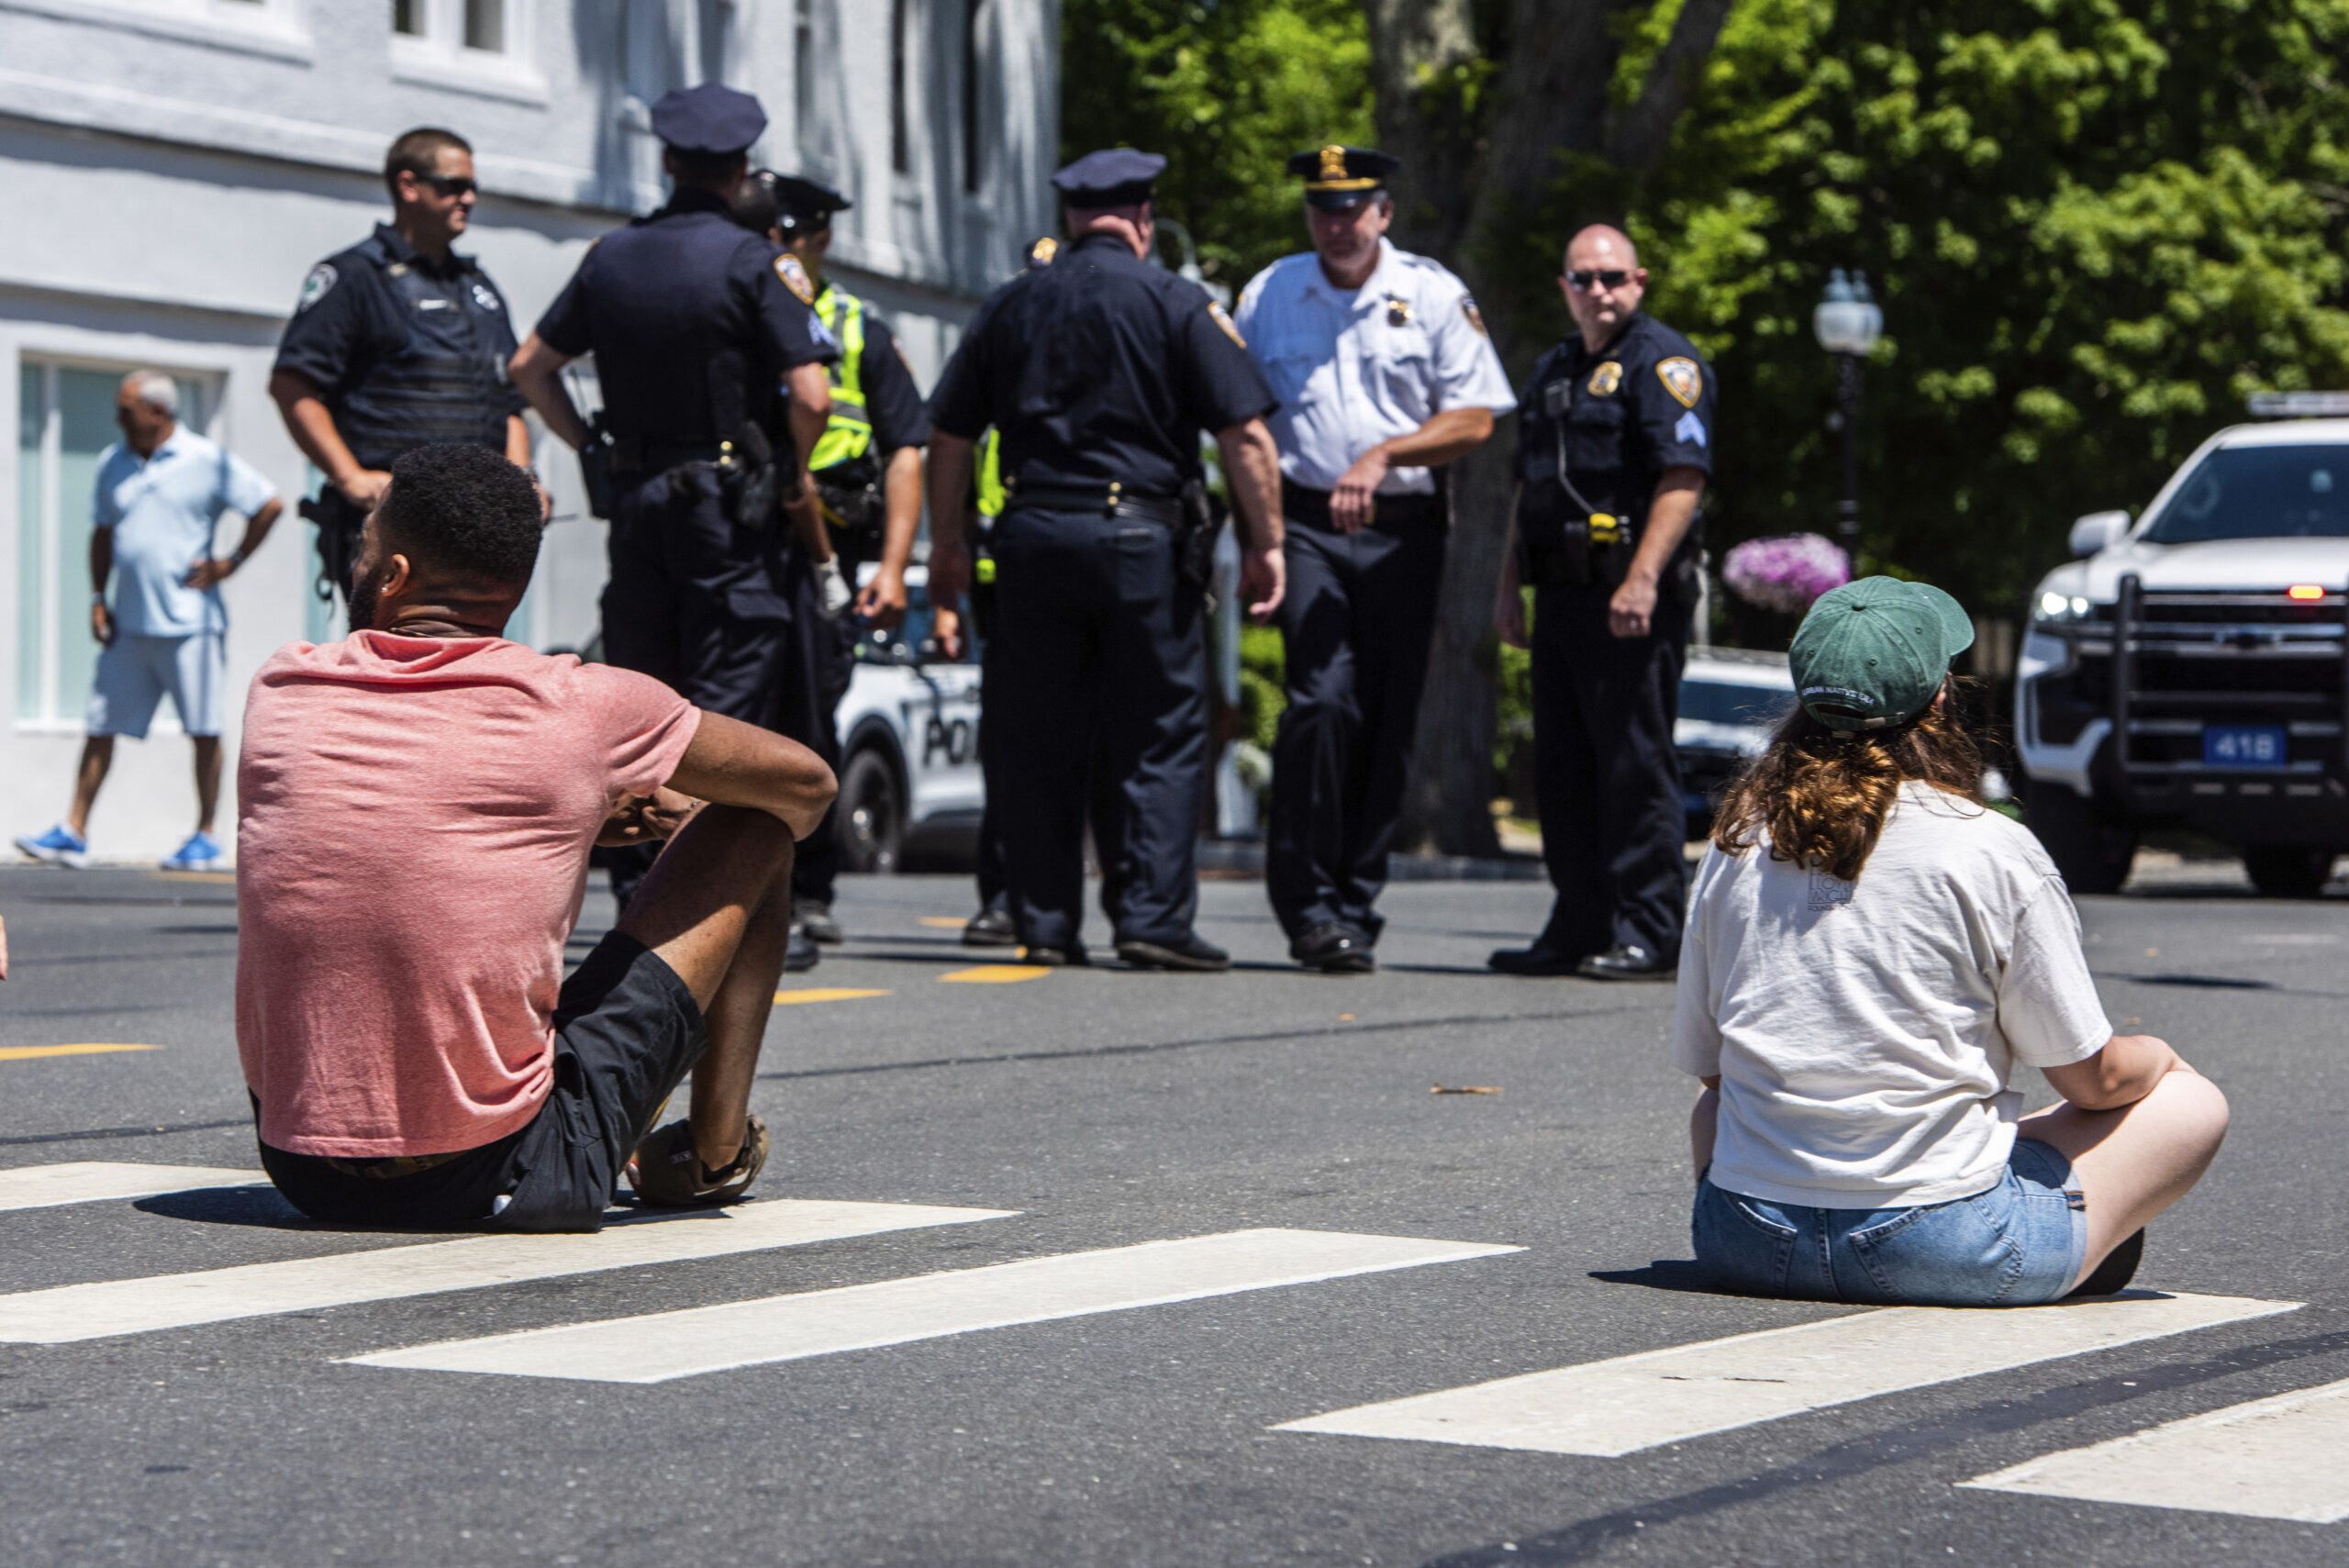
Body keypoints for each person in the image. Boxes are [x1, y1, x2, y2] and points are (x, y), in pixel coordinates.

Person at [237, 443, 836, 1231]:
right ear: (511, 589)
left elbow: (391, 834)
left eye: (364, 545)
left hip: (300, 1165)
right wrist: (612, 810)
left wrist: (562, 825)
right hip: (500, 1171)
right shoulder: (581, 704)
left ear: (393, 576)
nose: (359, 562)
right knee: (755, 829)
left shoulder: (283, 685)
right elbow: (808, 785)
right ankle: (714, 1151)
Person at [1677, 577, 2230, 1305]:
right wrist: (2156, 1057)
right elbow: (2088, 1078)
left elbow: (1714, 1077)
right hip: (1942, 1241)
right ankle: (2061, 1229)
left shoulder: (1737, 840)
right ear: (1939, 700)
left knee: (1714, 1112)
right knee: (2192, 1102)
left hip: (1743, 1237)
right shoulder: (1992, 848)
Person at [926, 150, 1286, 969]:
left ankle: (1045, 922)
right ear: (1144, 222)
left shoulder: (1010, 304)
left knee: (1037, 735)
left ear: (1071, 221)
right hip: (1142, 545)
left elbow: (949, 435)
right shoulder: (1177, 301)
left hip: (1033, 539)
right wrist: (1267, 545)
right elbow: (1247, 436)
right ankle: (1151, 919)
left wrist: (949, 544)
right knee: (1157, 732)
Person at [507, 84, 838, 961]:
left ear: (666, 162)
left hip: (639, 497)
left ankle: (639, 889)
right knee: (729, 694)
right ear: (739, 174)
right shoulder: (749, 262)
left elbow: (531, 368)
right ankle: (712, 901)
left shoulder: (612, 257)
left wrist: (591, 443)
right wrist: (795, 469)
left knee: (644, 692)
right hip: (728, 507)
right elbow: (812, 391)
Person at [1234, 146, 1516, 973]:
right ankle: (1307, 900)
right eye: (1323, 208)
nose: (1337, 224)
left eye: (1353, 208)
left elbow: (1475, 419)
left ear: (1384, 213)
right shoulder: (1270, 291)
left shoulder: (1430, 293)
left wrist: (1386, 455)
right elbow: (1235, 415)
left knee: (1388, 716)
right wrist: (1255, 535)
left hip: (1403, 525)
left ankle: (1354, 897)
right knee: (1321, 703)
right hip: (1307, 522)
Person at [1490, 225, 1715, 981]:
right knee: (1562, 766)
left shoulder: (1663, 363)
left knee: (1632, 763)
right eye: (1583, 278)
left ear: (1639, 281)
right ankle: (1578, 919)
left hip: (1629, 593)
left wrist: (1643, 576)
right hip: (1558, 590)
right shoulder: (1555, 366)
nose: (1598, 291)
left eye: (1612, 277)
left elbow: (1681, 477)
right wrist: (1507, 584)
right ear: (1565, 287)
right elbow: (1530, 484)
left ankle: (1652, 928)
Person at [732, 169, 933, 948]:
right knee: (737, 710)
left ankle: (808, 886)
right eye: (767, 235)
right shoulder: (740, 302)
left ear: (818, 240)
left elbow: (906, 449)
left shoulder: (857, 327)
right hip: (752, 530)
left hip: (833, 545)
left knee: (812, 713)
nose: (777, 249)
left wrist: (891, 564)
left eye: (790, 237)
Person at [15, 373, 282, 873]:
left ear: (158, 412)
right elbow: (102, 533)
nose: (117, 419)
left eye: (126, 410)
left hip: (191, 624)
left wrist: (230, 562)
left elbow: (269, 503)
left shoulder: (206, 459)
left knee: (202, 729)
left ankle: (205, 836)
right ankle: (73, 830)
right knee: (100, 724)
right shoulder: (111, 462)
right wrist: (98, 598)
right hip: (131, 624)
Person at [270, 127, 530, 610]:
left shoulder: (479, 287)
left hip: (479, 526)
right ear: (409, 186)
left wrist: (522, 483)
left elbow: (510, 402)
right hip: (395, 524)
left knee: (470, 670)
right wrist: (349, 477)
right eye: (453, 186)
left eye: (473, 188)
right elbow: (292, 385)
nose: (468, 199)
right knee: (391, 666)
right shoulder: (353, 276)